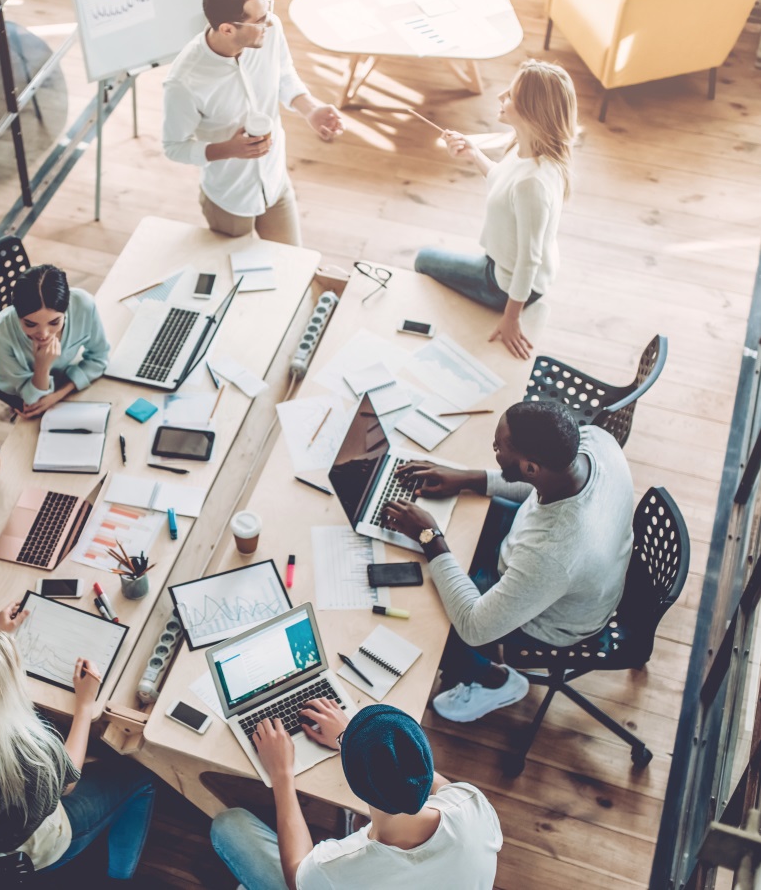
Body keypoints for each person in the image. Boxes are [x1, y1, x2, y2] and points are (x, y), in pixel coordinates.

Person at [383, 400, 634, 723]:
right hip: (547, 556)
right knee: (455, 541)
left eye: (500, 448)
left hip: (555, 619)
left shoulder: (554, 552)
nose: (494, 449)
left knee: (428, 619)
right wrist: (467, 479)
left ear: (530, 468)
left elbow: (475, 628)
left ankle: (496, 681)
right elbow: (538, 488)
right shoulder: (594, 442)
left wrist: (429, 536)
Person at [0, 603, 156, 877]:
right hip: (36, 852)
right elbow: (69, 781)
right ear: (6, 687)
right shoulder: (29, 754)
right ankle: (120, 876)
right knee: (142, 781)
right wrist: (85, 705)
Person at [210, 701, 502, 890]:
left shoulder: (340, 867)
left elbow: (296, 876)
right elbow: (427, 778)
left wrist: (282, 775)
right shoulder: (472, 804)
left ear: (355, 783)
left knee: (228, 824)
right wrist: (352, 740)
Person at [162, 0, 344, 246]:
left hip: (275, 183)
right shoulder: (183, 81)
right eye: (258, 20)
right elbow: (174, 146)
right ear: (226, 29)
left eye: (267, 10)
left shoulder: (270, 29)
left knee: (292, 264)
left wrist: (311, 109)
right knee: (238, 278)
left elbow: (283, 73)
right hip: (229, 198)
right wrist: (228, 150)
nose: (268, 22)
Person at [414, 59, 578, 359]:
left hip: (504, 283)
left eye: (511, 95)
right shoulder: (530, 149)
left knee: (423, 259)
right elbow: (505, 186)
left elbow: (528, 261)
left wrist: (511, 317)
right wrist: (474, 153)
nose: (500, 96)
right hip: (516, 267)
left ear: (531, 111)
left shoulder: (533, 184)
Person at [0, 264, 109, 418]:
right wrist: (42, 366)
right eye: (30, 324)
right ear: (17, 314)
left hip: (62, 386)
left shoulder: (83, 304)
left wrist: (58, 395)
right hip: (26, 389)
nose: (44, 334)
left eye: (54, 322)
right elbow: (33, 400)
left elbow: (100, 356)